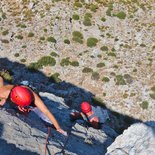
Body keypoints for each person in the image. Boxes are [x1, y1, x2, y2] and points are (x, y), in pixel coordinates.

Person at [0, 76, 67, 136]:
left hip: (28, 98)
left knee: (44, 117)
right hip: (15, 96)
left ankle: (51, 125)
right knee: (21, 112)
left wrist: (58, 128)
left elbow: (46, 111)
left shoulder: (34, 97)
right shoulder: (5, 92)